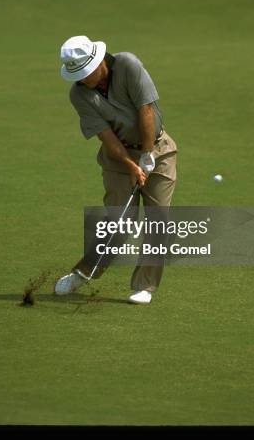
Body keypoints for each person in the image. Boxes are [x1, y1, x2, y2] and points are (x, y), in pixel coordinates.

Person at [55, 35, 177, 304]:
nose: (85, 80)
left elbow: (145, 109)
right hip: (119, 158)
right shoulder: (79, 94)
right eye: (78, 76)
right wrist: (131, 164)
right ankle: (85, 271)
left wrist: (146, 154)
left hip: (159, 149)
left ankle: (144, 286)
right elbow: (106, 136)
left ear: (99, 61)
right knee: (119, 221)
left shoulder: (127, 64)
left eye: (86, 73)